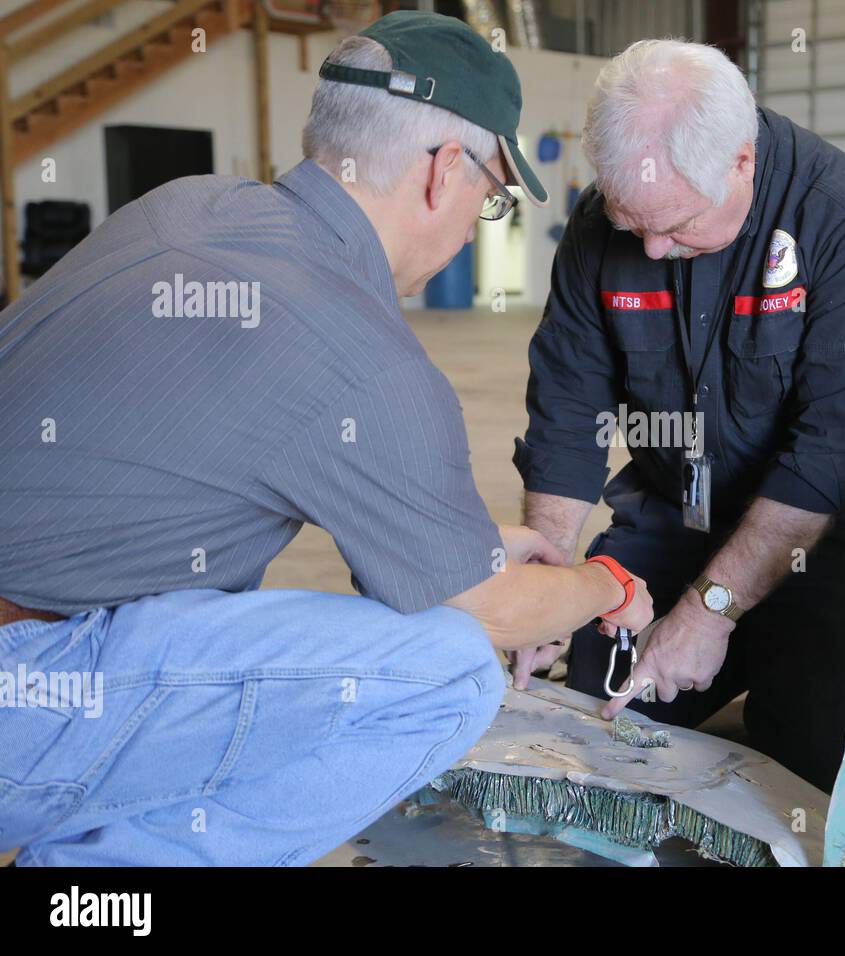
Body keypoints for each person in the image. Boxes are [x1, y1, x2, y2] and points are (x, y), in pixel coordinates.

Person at [0, 12, 651, 866]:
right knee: (449, 669)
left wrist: (462, 549)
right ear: (443, 170)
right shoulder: (363, 356)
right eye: (490, 199)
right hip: (29, 696)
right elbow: (488, 614)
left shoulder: (184, 208)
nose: (473, 225)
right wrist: (606, 584)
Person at [510, 39, 845, 792]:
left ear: (741, 162)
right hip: (674, 513)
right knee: (597, 703)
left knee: (819, 755)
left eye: (678, 224)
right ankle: (733, 646)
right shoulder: (603, 226)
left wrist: (708, 613)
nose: (654, 250)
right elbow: (567, 409)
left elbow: (833, 451)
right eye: (636, 228)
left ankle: (764, 647)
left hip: (814, 533)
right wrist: (546, 586)